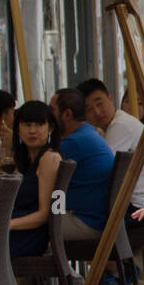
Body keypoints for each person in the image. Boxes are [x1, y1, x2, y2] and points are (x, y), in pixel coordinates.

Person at [78, 79, 144, 218]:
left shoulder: (120, 126)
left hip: (141, 206)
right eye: (89, 109)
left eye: (100, 104)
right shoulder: (112, 126)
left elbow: (103, 172)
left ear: (110, 98)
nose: (97, 112)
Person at [49, 88, 115, 242]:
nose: (48, 115)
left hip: (86, 223)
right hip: (99, 221)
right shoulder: (88, 134)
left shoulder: (72, 143)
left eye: (52, 110)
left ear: (67, 115)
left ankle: (41, 266)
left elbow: (45, 183)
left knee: (28, 224)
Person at [8, 101, 62, 258]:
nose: (32, 131)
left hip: (32, 235)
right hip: (19, 230)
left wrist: (9, 225)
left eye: (39, 125)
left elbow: (45, 214)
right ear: (18, 128)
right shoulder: (25, 160)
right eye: (27, 125)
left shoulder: (49, 158)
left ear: (50, 128)